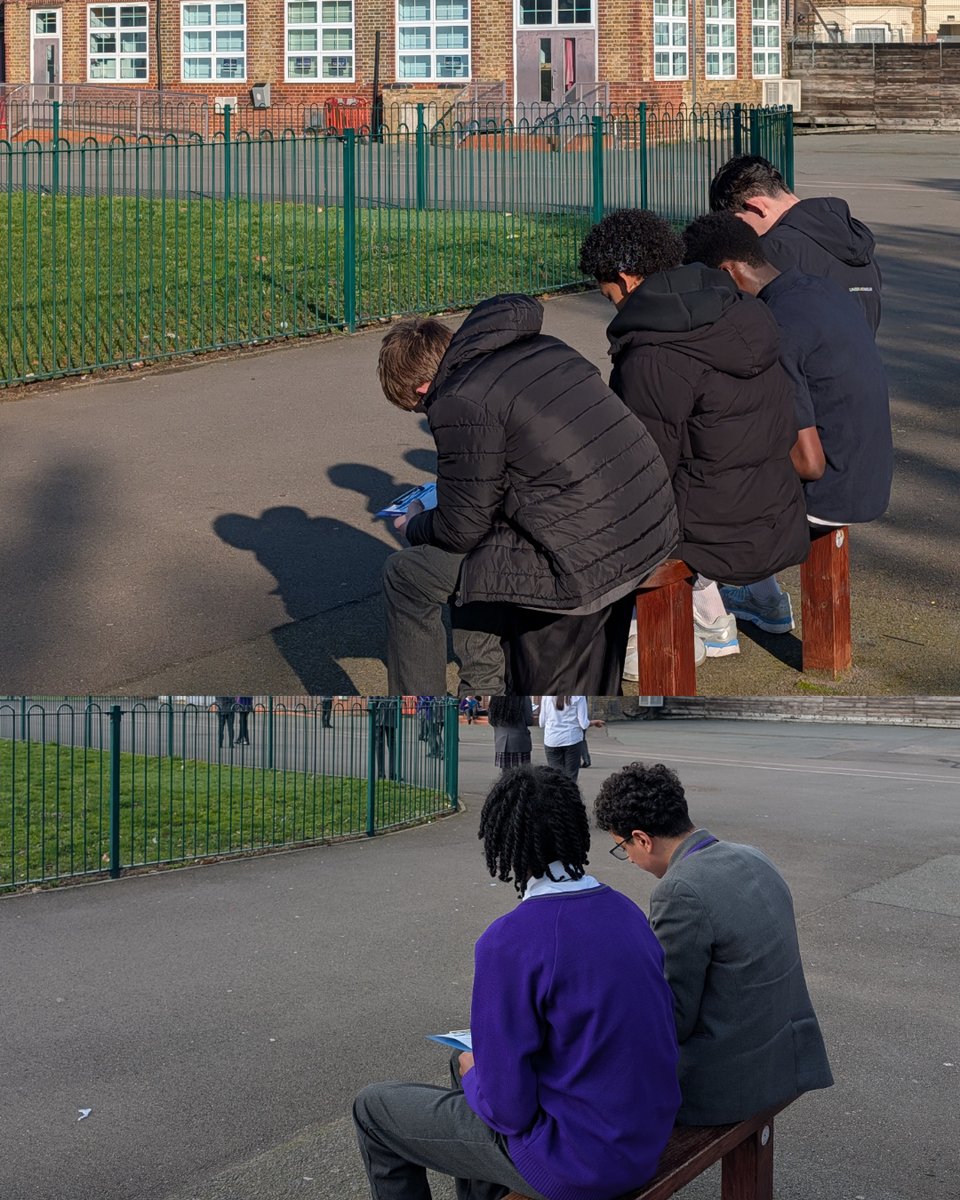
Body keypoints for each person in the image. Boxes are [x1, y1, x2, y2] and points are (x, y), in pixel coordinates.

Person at [353, 766, 681, 1200]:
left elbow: (509, 1111)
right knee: (465, 1064)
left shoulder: (509, 941)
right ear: (576, 831)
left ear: (503, 842)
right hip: (643, 1137)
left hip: (580, 1162)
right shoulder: (625, 911)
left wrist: (475, 1076)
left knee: (374, 1108)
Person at [376, 296, 679, 695]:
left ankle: (423, 712)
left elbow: (461, 529)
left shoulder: (458, 399)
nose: (427, 413)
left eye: (420, 407)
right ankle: (482, 688)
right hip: (651, 519)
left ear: (422, 388)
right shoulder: (543, 348)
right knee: (483, 553)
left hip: (587, 553)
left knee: (407, 574)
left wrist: (415, 522)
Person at [579, 209, 809, 662]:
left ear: (625, 279)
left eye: (609, 296)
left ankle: (655, 634)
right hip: (777, 508)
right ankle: (724, 613)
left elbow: (645, 469)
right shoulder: (744, 309)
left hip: (714, 531)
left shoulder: (651, 352)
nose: (613, 305)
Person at [682, 211, 893, 634]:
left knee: (692, 493)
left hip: (828, 494)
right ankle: (763, 597)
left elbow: (808, 464)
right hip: (870, 475)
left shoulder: (775, 327)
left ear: (727, 272)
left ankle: (709, 620)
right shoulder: (821, 289)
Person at [593, 761, 834, 1126]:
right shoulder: (753, 856)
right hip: (785, 1057)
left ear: (642, 839)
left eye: (623, 848)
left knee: (592, 1080)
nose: (628, 859)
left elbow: (672, 1018)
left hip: (725, 1084)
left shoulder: (679, 890)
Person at [709, 154, 882, 334]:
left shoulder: (772, 251)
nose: (741, 234)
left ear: (757, 207)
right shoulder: (857, 240)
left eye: (739, 223)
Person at [538, 695, 602, 784]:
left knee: (555, 778)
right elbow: (583, 724)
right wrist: (594, 722)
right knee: (571, 778)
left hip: (552, 740)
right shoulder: (579, 696)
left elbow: (541, 723)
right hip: (572, 739)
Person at [487, 695, 535, 771]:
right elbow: (529, 721)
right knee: (523, 774)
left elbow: (491, 720)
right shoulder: (523, 697)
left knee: (505, 774)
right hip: (520, 742)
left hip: (501, 741)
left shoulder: (496, 697)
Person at [370, 697, 400, 781]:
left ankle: (391, 773)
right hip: (380, 717)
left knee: (391, 745)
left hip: (389, 716)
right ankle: (382, 773)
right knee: (380, 746)